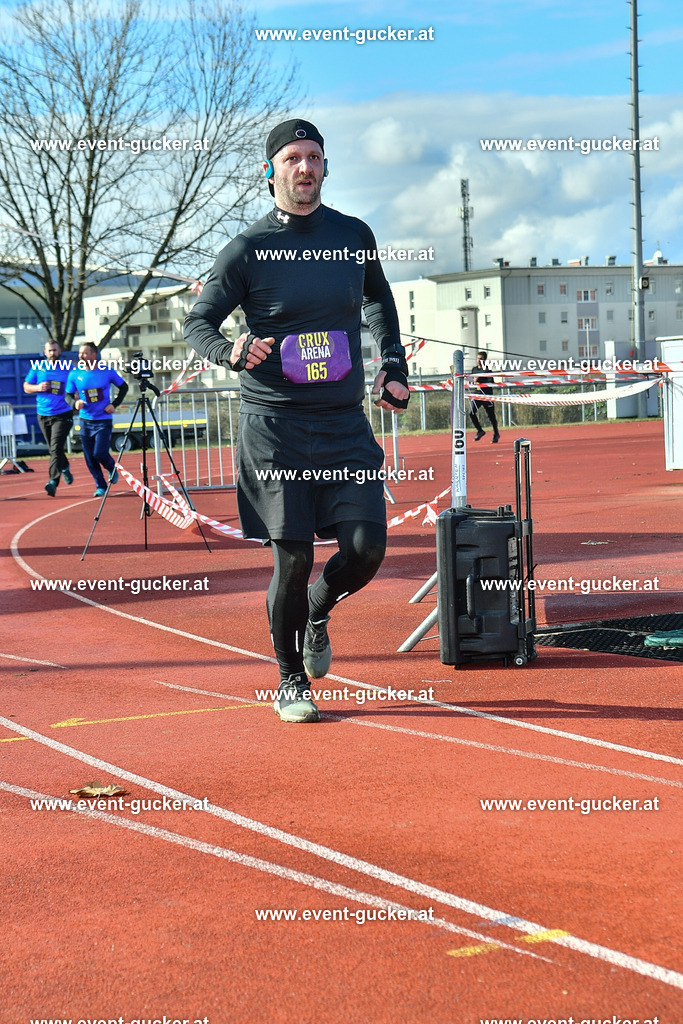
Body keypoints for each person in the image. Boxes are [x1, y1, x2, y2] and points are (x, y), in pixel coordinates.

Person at [184, 117, 410, 724]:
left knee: (365, 550)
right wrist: (229, 349)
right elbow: (198, 322)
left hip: (341, 421)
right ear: (272, 170)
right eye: (292, 158)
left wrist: (392, 365)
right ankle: (290, 679)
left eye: (314, 157)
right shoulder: (248, 248)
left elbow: (377, 300)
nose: (305, 167)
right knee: (294, 556)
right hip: (275, 425)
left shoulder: (352, 235)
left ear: (325, 167)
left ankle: (319, 608)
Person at [65, 343, 128, 496]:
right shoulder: (75, 374)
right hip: (85, 421)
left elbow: (124, 387)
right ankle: (100, 486)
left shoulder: (106, 371)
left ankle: (111, 466)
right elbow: (67, 395)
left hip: (103, 420)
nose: (81, 356)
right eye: (80, 353)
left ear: (94, 355)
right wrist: (75, 403)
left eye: (85, 353)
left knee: (99, 453)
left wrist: (114, 404)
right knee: (89, 457)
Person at [23, 338, 75, 496]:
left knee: (55, 449)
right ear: (45, 352)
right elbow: (26, 387)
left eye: (55, 350)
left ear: (60, 351)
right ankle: (64, 467)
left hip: (63, 413)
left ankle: (53, 481)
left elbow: (77, 385)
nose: (52, 353)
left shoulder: (68, 368)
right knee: (54, 449)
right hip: (43, 414)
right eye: (49, 350)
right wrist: (37, 387)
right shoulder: (38, 367)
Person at [469, 350, 500, 443]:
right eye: (478, 359)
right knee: (471, 412)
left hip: (486, 396)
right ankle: (480, 430)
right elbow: (473, 381)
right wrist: (471, 381)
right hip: (477, 395)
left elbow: (491, 383)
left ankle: (496, 434)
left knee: (491, 416)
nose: (479, 361)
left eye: (481, 359)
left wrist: (480, 380)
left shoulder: (487, 370)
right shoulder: (474, 369)